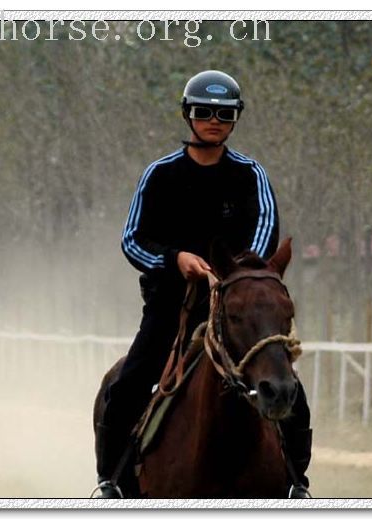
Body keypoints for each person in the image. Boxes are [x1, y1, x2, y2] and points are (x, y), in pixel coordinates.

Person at [94, 70, 312, 499]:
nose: (214, 120)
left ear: (235, 119)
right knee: (127, 386)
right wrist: (175, 259)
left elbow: (266, 231)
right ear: (188, 116)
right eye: (204, 112)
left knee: (292, 393)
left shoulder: (251, 175)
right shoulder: (160, 175)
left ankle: (295, 486)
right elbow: (132, 239)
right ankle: (112, 486)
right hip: (172, 307)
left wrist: (230, 277)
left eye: (225, 114)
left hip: (240, 307)